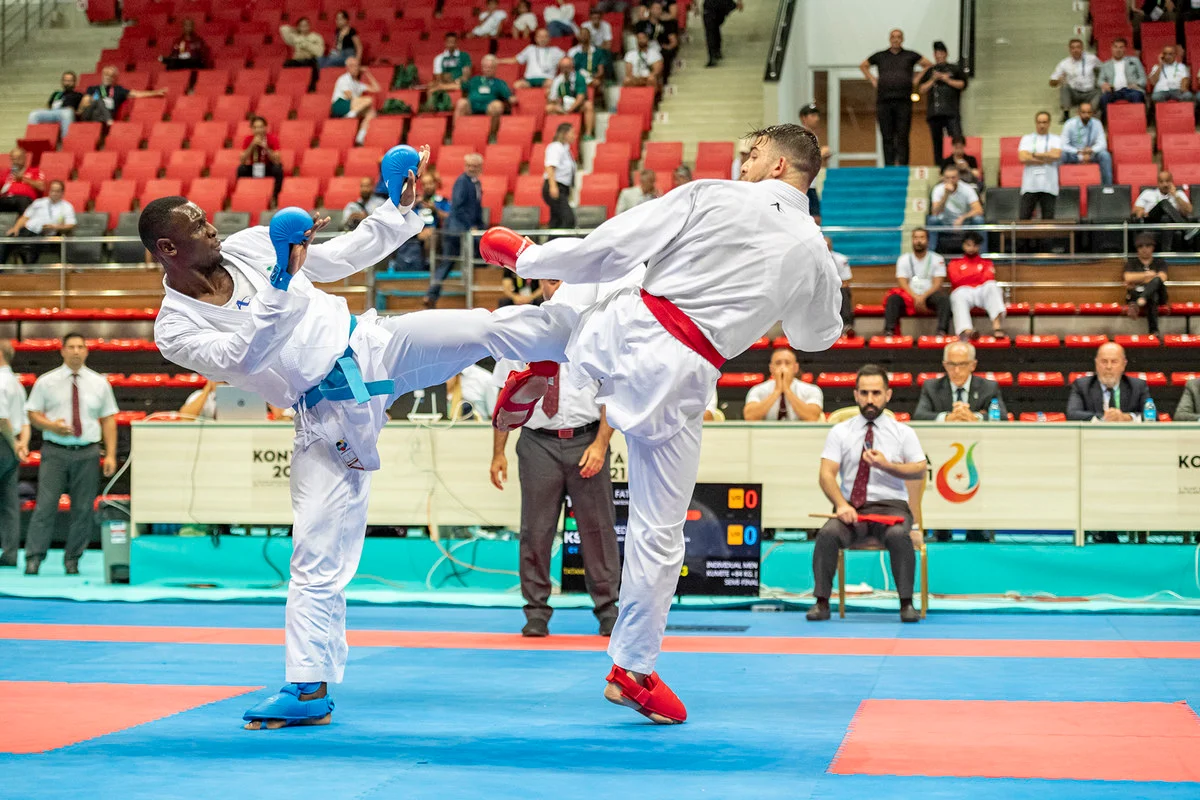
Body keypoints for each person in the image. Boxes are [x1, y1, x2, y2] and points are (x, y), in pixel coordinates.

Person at [143, 145, 581, 729]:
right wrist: (280, 276)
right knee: (314, 553)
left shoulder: (248, 244)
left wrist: (393, 208)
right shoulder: (174, 326)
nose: (212, 226)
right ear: (168, 248)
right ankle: (307, 687)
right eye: (196, 224)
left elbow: (342, 256)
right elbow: (243, 355)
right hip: (326, 414)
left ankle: (569, 352)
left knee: (484, 325)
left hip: (372, 345)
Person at [478, 123, 843, 724]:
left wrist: (531, 257)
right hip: (685, 377)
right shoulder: (813, 248)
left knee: (623, 269)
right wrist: (796, 278)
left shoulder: (711, 195)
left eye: (751, 156)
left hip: (623, 330)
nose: (742, 165)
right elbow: (816, 337)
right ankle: (634, 668)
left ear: (780, 166)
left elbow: (616, 242)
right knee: (659, 532)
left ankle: (550, 349)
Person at [490, 280, 620, 637]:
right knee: (536, 529)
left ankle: (608, 610)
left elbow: (613, 393)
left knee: (598, 530)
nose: (554, 285)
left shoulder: (595, 328)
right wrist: (498, 452)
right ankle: (535, 612)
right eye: (548, 279)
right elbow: (507, 395)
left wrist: (601, 444)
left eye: (560, 278)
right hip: (537, 442)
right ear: (540, 284)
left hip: (586, 440)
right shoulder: (524, 330)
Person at [810, 364, 925, 623]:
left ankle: (906, 604)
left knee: (899, 536)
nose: (870, 399)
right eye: (864, 393)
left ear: (888, 395)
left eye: (876, 393)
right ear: (855, 395)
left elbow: (919, 470)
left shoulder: (903, 432)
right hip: (853, 508)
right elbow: (826, 474)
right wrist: (840, 505)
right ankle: (821, 603)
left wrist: (887, 465)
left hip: (892, 508)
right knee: (827, 534)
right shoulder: (840, 431)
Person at [23, 333, 118, 576]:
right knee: (45, 506)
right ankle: (34, 558)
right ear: (62, 351)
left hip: (87, 451)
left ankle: (73, 560)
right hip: (55, 451)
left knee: (83, 509)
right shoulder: (46, 381)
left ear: (86, 351)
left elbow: (108, 420)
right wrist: (51, 426)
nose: (76, 351)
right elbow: (32, 413)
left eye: (80, 347)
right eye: (71, 347)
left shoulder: (100, 383)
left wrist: (110, 455)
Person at [861, 29, 930, 166]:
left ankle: (903, 165)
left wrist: (916, 79)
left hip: (903, 101)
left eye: (898, 37)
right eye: (893, 37)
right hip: (884, 101)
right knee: (887, 135)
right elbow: (863, 65)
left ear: (902, 39)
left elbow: (928, 64)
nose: (896, 39)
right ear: (889, 39)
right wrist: (873, 79)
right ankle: (889, 165)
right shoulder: (881, 56)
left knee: (903, 134)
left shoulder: (910, 55)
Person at [430, 153, 485, 308]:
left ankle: (432, 294)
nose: (471, 169)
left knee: (448, 262)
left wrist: (480, 226)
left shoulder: (477, 183)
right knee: (450, 260)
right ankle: (433, 294)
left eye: (474, 166)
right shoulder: (462, 182)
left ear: (480, 168)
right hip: (457, 230)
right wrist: (470, 226)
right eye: (469, 166)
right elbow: (458, 208)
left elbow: (476, 208)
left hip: (464, 228)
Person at [914, 341, 1007, 421]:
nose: (956, 371)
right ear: (945, 365)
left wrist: (975, 418)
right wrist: (947, 418)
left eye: (962, 364)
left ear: (973, 365)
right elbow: (919, 416)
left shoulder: (989, 388)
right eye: (951, 364)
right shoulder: (931, 387)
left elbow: (1002, 417)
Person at [883, 227, 951, 336]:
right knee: (893, 299)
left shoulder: (937, 259)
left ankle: (942, 331)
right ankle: (889, 331)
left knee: (944, 299)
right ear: (912, 240)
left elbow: (938, 283)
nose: (918, 241)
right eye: (915, 238)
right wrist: (915, 297)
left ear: (928, 240)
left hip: (929, 294)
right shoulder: (904, 259)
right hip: (910, 294)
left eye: (922, 238)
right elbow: (902, 281)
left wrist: (922, 297)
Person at [1066, 342, 1151, 421]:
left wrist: (1127, 417)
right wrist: (1103, 417)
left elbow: (1152, 416)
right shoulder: (1082, 386)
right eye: (1104, 361)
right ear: (1096, 364)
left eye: (1114, 362)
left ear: (1123, 365)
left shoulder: (1138, 386)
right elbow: (1072, 414)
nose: (1109, 367)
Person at [0, 340, 29, 568]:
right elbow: (25, 418)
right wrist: (21, 444)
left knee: (8, 502)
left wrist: (13, 442)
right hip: (11, 446)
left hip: (3, 441)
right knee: (9, 503)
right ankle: (10, 553)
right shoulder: (15, 381)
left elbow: (2, 420)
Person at [0, 179, 76, 264]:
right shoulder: (39, 202)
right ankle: (1, 268)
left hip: (47, 233)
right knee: (7, 241)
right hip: (28, 229)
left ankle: (30, 270)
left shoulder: (67, 207)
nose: (54, 193)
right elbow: (25, 217)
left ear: (62, 193)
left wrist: (54, 227)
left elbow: (71, 225)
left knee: (35, 244)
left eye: (57, 191)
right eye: (52, 190)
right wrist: (16, 228)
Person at [947, 231, 1006, 340]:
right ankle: (967, 331)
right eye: (968, 245)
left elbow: (989, 278)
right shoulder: (954, 263)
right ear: (963, 245)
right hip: (964, 292)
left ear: (979, 246)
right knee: (957, 295)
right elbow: (956, 281)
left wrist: (967, 277)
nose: (971, 248)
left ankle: (997, 326)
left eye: (974, 245)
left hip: (981, 291)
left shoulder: (987, 262)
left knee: (992, 286)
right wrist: (977, 276)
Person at [917, 41, 967, 163]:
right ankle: (939, 167)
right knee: (937, 143)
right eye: (937, 53)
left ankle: (958, 163)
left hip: (951, 112)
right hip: (934, 113)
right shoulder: (930, 71)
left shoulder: (954, 69)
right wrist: (933, 79)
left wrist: (947, 80)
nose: (939, 56)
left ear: (946, 54)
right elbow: (921, 89)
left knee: (956, 139)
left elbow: (963, 84)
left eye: (941, 53)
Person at [742, 347, 823, 421]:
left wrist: (787, 390)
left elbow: (812, 417)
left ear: (796, 368)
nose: (782, 367)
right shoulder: (758, 389)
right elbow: (749, 417)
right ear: (771, 368)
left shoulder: (812, 390)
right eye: (778, 363)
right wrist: (777, 391)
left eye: (787, 363)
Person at [390, 173, 449, 271]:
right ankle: (394, 264)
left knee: (431, 235)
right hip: (415, 232)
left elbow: (449, 217)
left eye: (430, 183)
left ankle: (428, 265)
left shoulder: (441, 201)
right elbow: (402, 216)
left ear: (435, 184)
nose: (427, 187)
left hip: (436, 233)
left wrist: (435, 210)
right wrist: (414, 204)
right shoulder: (416, 201)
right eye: (425, 184)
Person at [76, 66, 166, 124]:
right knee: (97, 100)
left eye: (111, 76)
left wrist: (155, 93)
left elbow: (136, 94)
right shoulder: (92, 88)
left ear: (115, 78)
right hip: (90, 115)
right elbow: (86, 101)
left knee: (99, 104)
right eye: (106, 75)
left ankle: (106, 120)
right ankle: (107, 120)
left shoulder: (119, 90)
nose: (108, 77)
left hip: (103, 117)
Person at [926, 164, 984, 252]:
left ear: (958, 178)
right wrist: (946, 195)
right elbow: (935, 212)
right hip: (945, 223)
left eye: (953, 177)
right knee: (932, 220)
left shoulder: (967, 189)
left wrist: (962, 218)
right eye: (947, 178)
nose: (950, 180)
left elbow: (979, 210)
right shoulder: (938, 189)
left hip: (964, 224)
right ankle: (931, 254)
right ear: (943, 178)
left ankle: (983, 255)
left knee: (979, 220)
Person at [1133, 169, 1193, 251]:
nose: (1165, 184)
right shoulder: (1148, 193)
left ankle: (1166, 251)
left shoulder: (1179, 194)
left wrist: (1175, 196)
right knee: (1164, 202)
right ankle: (1187, 230)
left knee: (1166, 218)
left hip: (1173, 225)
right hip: (1152, 220)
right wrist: (1141, 212)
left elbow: (1189, 211)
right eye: (1161, 182)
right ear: (1158, 183)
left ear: (1172, 182)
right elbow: (1136, 210)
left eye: (1167, 181)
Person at [1018, 111, 1062, 220]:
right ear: (1035, 123)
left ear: (1049, 123)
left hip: (1049, 185)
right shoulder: (1027, 139)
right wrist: (1046, 157)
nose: (1042, 125)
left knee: (1048, 220)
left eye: (1044, 122)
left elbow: (1056, 155)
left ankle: (1046, 238)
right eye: (1039, 122)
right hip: (1030, 185)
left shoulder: (1055, 139)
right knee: (1024, 218)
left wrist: (1033, 155)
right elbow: (1022, 157)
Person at [456, 55, 512, 138]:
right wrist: (462, 78)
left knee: (497, 105)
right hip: (472, 107)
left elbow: (509, 97)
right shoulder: (475, 80)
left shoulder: (499, 83)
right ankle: (457, 133)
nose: (488, 69)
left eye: (490, 67)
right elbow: (460, 86)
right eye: (485, 67)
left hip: (488, 108)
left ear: (495, 68)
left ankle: (491, 136)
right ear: (482, 68)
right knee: (461, 102)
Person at [1124, 232, 1169, 335]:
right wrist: (1150, 275)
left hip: (1159, 295)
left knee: (1157, 282)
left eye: (1147, 246)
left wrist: (1138, 279)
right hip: (1142, 294)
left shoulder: (1160, 262)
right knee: (1153, 295)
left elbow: (1162, 278)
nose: (1144, 249)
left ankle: (1140, 301)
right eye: (1140, 246)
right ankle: (1154, 331)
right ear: (1137, 248)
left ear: (1153, 247)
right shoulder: (1132, 263)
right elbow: (1128, 277)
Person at [1060, 102, 1113, 186]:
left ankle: (1107, 188)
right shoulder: (1069, 124)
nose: (1086, 115)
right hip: (1075, 154)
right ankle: (1059, 188)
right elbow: (1063, 145)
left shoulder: (1097, 123)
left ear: (1092, 113)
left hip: (1091, 154)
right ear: (1078, 112)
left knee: (1105, 155)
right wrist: (1079, 152)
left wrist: (1091, 150)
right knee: (1061, 155)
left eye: (1089, 112)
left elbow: (1102, 144)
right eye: (1083, 112)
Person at [330, 57, 379, 145]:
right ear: (348, 68)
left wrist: (367, 73)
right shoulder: (343, 79)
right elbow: (349, 96)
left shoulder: (357, 83)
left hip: (354, 106)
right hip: (340, 105)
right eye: (352, 66)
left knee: (371, 113)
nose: (355, 68)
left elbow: (377, 89)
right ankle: (351, 114)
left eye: (357, 66)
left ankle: (360, 136)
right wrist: (361, 103)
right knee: (368, 100)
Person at [1049, 38, 1100, 121]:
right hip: (1074, 93)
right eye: (1073, 48)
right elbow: (1051, 82)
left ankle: (1090, 112)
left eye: (1078, 47)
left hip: (1090, 93)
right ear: (1069, 50)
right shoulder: (1064, 63)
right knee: (1064, 87)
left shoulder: (1092, 58)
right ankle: (1066, 114)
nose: (1075, 50)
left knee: (1100, 91)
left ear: (1082, 48)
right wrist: (1058, 81)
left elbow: (1102, 68)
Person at [236, 116, 286, 199]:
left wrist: (265, 147)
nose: (258, 130)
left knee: (278, 169)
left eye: (260, 127)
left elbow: (277, 160)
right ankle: (243, 195)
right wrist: (252, 145)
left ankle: (275, 197)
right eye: (255, 128)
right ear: (252, 129)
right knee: (241, 169)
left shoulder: (273, 138)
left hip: (268, 166)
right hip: (254, 166)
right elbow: (242, 160)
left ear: (265, 128)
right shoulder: (248, 139)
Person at [546, 56, 594, 139]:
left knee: (588, 105)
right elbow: (552, 99)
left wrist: (570, 109)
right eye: (563, 67)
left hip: (577, 105)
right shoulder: (557, 80)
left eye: (567, 66)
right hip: (563, 107)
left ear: (572, 66)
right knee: (549, 108)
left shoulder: (579, 77)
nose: (565, 69)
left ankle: (588, 134)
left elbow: (580, 97)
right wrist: (555, 102)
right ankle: (556, 135)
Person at [1098, 37, 1147, 118]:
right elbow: (1100, 80)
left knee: (1137, 96)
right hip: (1113, 91)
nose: (1118, 50)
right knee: (1104, 98)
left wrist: (1136, 84)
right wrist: (1104, 84)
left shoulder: (1134, 61)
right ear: (1111, 48)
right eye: (1116, 47)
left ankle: (1138, 122)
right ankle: (1109, 122)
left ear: (1125, 49)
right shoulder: (1105, 65)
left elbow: (1143, 79)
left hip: (1131, 90)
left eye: (1121, 47)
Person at [27, 71, 82, 139]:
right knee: (34, 114)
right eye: (65, 80)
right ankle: (32, 140)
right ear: (62, 82)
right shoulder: (56, 94)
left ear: (74, 82)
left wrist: (75, 111)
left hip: (67, 113)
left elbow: (81, 110)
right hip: (53, 112)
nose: (67, 83)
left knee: (67, 113)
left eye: (70, 81)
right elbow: (48, 106)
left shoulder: (79, 95)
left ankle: (66, 142)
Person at [543, 122, 577, 229]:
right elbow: (550, 166)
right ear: (565, 134)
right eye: (572, 133)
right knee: (568, 219)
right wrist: (553, 186)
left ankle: (549, 244)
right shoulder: (555, 147)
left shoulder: (566, 150)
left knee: (556, 220)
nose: (575, 136)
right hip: (555, 185)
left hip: (563, 187)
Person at [570, 28, 612, 109]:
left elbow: (601, 71)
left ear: (590, 36)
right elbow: (570, 69)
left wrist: (591, 77)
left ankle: (590, 105)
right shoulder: (572, 52)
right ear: (578, 36)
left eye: (586, 34)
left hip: (592, 77)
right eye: (581, 34)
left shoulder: (597, 51)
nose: (584, 36)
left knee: (595, 82)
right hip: (576, 78)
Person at [0, 147, 45, 214]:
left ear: (24, 158)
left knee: (22, 201)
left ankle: (22, 224)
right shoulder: (6, 173)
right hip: (7, 198)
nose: (16, 161)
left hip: (25, 199)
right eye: (13, 159)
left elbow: (42, 187)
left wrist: (23, 178)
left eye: (18, 158)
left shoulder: (35, 171)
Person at [826, 236, 854, 337]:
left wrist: (832, 287)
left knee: (844, 291)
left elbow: (846, 281)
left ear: (831, 246)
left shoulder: (841, 259)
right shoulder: (810, 260)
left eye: (827, 245)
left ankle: (847, 325)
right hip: (818, 291)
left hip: (836, 290)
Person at [702, 0, 742, 68]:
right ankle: (716, 52)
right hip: (722, 5)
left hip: (712, 6)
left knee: (711, 30)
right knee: (714, 27)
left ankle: (713, 55)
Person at [798, 103, 833, 167]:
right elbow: (800, 159)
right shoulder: (800, 135)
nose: (817, 119)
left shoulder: (813, 135)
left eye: (817, 115)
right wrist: (820, 154)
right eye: (813, 116)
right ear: (803, 118)